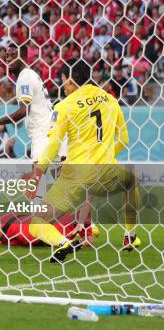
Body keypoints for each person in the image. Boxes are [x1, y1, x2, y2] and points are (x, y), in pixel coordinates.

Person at [25, 59, 139, 263]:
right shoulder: (110, 100)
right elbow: (124, 139)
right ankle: (129, 236)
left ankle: (63, 243)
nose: (63, 86)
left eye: (63, 81)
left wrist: (37, 174)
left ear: (70, 80)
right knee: (131, 183)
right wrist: (105, 155)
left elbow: (53, 145)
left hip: (76, 175)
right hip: (106, 171)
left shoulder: (65, 106)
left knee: (37, 223)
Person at [0, 44, 64, 197]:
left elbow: (23, 111)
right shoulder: (30, 75)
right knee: (58, 177)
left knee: (37, 182)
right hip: (51, 129)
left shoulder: (25, 78)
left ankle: (37, 216)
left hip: (43, 132)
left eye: (13, 55)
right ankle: (77, 217)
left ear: (23, 57)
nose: (9, 59)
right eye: (7, 56)